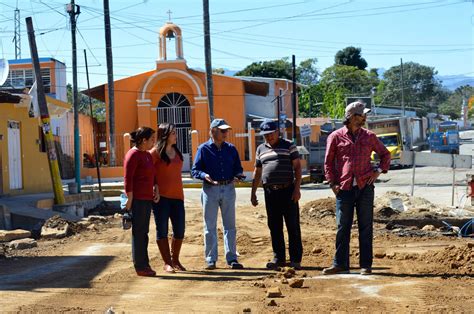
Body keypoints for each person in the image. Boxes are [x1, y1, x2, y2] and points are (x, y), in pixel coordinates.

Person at [323, 101, 390, 276]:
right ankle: (340, 264)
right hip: (343, 188)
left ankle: (365, 265)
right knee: (342, 227)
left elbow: (385, 154)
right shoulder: (335, 136)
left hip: (365, 188)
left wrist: (378, 171)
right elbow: (328, 162)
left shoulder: (369, 136)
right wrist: (332, 184)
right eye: (362, 115)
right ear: (352, 117)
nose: (365, 118)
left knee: (366, 227)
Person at [191, 118, 245, 270]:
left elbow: (237, 168)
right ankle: (211, 259)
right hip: (210, 189)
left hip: (228, 188)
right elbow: (195, 170)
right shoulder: (203, 149)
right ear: (213, 131)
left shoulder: (231, 149)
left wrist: (239, 175)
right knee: (210, 226)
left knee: (230, 225)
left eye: (226, 130)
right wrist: (204, 175)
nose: (226, 133)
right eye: (223, 131)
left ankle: (232, 258)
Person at [250, 119, 303, 270]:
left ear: (277, 132)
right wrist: (253, 193)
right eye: (265, 135)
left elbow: (298, 168)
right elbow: (258, 171)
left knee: (292, 225)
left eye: (271, 133)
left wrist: (297, 189)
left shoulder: (288, 145)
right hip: (270, 193)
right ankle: (279, 258)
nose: (269, 137)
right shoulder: (260, 149)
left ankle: (295, 259)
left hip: (288, 191)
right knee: (274, 226)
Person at [149, 123, 186, 273]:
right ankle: (167, 262)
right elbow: (148, 172)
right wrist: (154, 186)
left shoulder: (176, 151)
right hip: (161, 198)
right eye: (173, 133)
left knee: (180, 230)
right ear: (165, 135)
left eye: (175, 133)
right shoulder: (155, 153)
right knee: (162, 229)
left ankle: (175, 259)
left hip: (178, 196)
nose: (175, 135)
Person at [123, 126, 159, 277]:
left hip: (146, 199)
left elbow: (153, 174)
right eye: (151, 139)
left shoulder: (147, 155)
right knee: (139, 233)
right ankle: (140, 266)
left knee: (144, 233)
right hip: (137, 200)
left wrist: (156, 187)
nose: (153, 142)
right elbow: (128, 179)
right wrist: (130, 199)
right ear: (143, 140)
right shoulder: (133, 155)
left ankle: (145, 264)